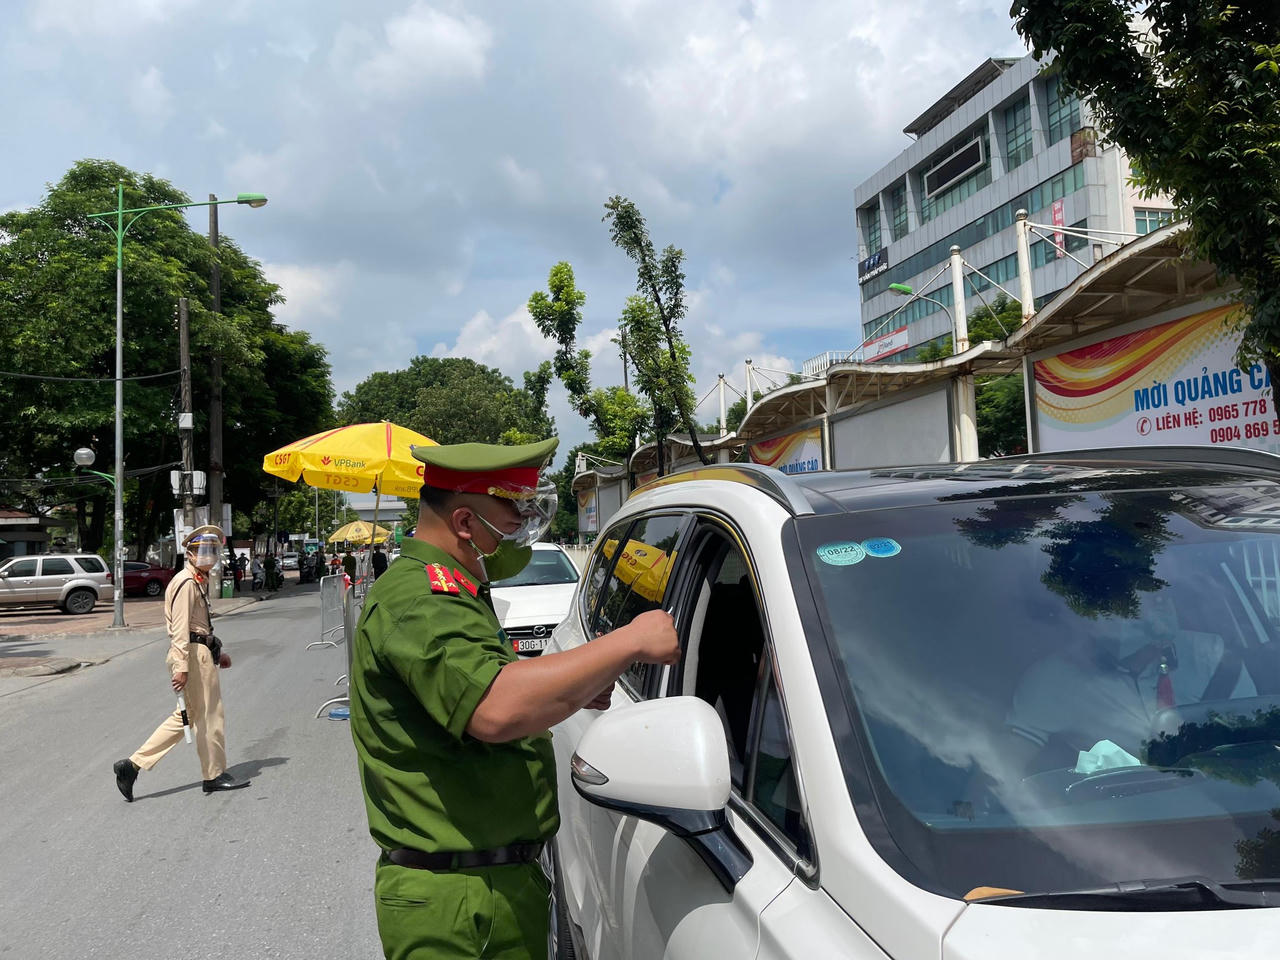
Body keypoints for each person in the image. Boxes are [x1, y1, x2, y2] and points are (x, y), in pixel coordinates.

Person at [349, 438, 680, 959]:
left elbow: (475, 680)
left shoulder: (452, 588)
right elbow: (495, 708)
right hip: (461, 903)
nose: (521, 532)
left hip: (488, 883)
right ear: (464, 523)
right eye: (512, 518)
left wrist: (562, 686)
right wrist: (632, 639)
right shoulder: (421, 599)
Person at [112, 525, 251, 801]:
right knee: (210, 715)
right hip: (190, 656)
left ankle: (132, 765)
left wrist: (216, 650)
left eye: (212, 550)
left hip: (198, 652)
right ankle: (213, 775)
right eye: (202, 550)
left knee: (188, 716)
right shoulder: (186, 582)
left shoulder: (197, 580)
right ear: (188, 553)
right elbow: (180, 629)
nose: (208, 555)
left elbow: (199, 626)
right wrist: (182, 666)